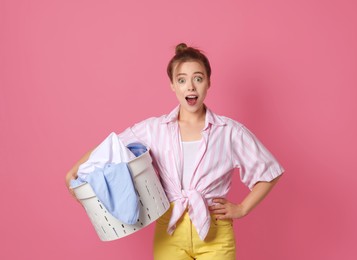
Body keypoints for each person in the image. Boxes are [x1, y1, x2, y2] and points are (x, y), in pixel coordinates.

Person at [65, 43, 285, 259]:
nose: (190, 86)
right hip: (169, 229)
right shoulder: (154, 129)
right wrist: (74, 170)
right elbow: (112, 146)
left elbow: (269, 172)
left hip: (216, 232)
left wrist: (243, 208)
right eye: (182, 80)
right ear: (172, 85)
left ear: (208, 83)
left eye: (198, 78)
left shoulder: (230, 131)